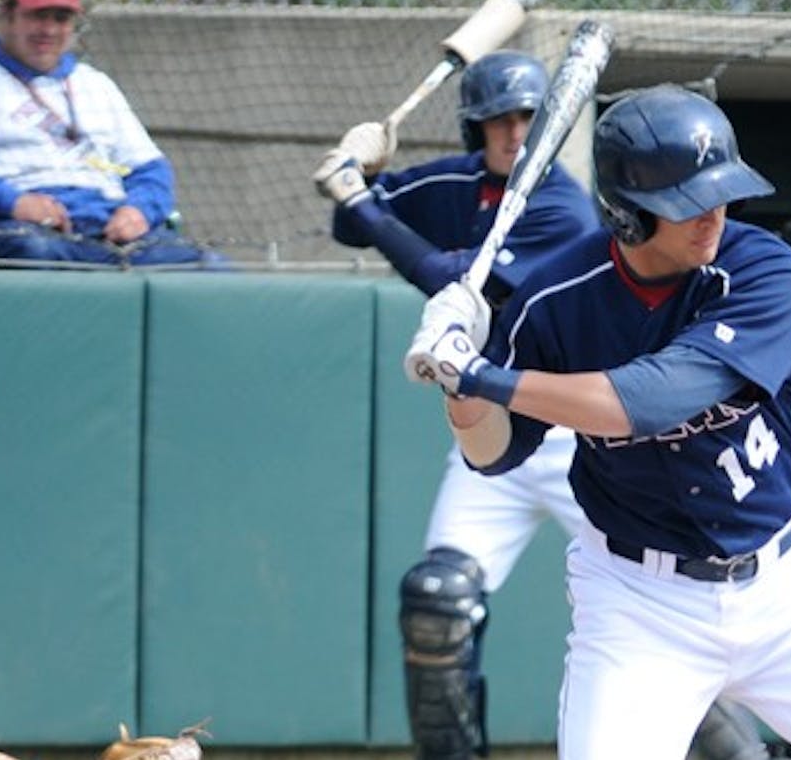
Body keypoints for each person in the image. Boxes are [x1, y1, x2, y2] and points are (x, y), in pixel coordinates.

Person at [404, 85, 791, 759]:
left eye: (722, 192)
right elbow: (493, 455)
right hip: (638, 603)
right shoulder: (554, 299)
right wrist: (459, 388)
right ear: (627, 214)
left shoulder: (766, 271)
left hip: (785, 592)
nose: (713, 214)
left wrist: (483, 374)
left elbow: (649, 400)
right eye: (687, 203)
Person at [315, 55, 768, 760]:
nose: (515, 132)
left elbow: (458, 279)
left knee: (666, 618)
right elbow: (354, 226)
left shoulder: (559, 203)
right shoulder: (452, 185)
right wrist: (359, 173)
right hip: (494, 429)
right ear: (475, 127)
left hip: (587, 431)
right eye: (500, 119)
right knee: (437, 600)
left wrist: (364, 207)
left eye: (528, 117)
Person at [0, 0, 217, 267]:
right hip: (17, 224)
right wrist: (13, 202)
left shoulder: (93, 83)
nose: (48, 29)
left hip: (104, 222)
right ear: (6, 14)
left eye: (61, 17)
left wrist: (137, 211)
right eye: (37, 15)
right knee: (37, 252)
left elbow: (149, 170)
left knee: (205, 264)